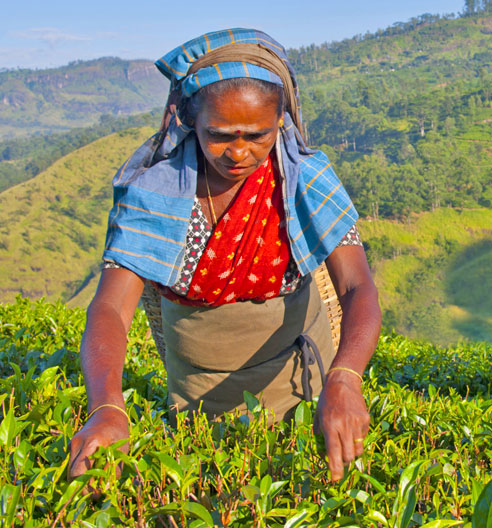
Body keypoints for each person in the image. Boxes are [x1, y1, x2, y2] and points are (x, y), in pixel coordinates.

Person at [68, 29, 381, 481]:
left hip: (303, 380)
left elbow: (358, 286)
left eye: (258, 135)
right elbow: (111, 308)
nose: (239, 152)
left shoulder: (303, 180)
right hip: (196, 388)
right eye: (219, 135)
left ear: (283, 122)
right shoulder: (155, 194)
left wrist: (345, 377)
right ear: (190, 121)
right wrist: (106, 406)